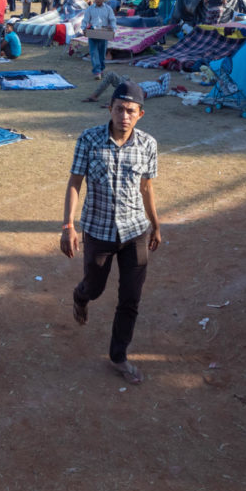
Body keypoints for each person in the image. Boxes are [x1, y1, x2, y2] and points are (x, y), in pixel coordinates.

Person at [60, 80, 162, 385]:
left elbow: (146, 187)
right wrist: (68, 225)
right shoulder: (89, 140)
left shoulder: (148, 145)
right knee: (95, 287)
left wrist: (156, 224)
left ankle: (119, 356)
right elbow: (74, 184)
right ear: (110, 109)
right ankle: (80, 297)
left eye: (131, 110)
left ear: (140, 114)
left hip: (136, 232)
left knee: (130, 298)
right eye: (119, 109)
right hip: (99, 231)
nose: (124, 116)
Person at [81, 0, 117, 80]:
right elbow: (85, 20)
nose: (98, 1)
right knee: (93, 52)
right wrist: (83, 28)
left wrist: (113, 29)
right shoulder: (90, 9)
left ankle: (101, 69)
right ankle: (96, 71)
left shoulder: (108, 9)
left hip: (104, 31)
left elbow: (112, 20)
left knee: (102, 53)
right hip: (93, 31)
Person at [81, 71, 170, 103]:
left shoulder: (162, 89)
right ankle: (95, 96)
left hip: (138, 91)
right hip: (134, 87)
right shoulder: (155, 84)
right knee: (114, 75)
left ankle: (113, 101)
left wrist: (159, 79)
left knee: (124, 77)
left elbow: (167, 75)